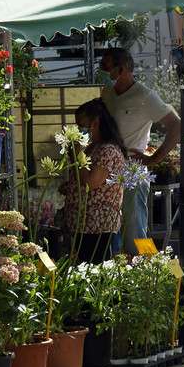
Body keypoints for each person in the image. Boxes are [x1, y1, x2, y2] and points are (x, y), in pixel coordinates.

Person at [97, 47, 180, 253]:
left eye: (105, 68)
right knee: (108, 230)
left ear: (121, 69)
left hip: (131, 173)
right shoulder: (107, 92)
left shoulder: (145, 96)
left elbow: (177, 126)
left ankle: (141, 273)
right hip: (106, 171)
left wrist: (154, 159)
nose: (101, 72)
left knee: (134, 231)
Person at [59, 99, 129, 262]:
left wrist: (76, 155)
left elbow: (91, 182)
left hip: (97, 225)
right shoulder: (93, 147)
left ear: (96, 123)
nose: (78, 130)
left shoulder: (108, 150)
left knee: (95, 270)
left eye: (81, 125)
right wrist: (71, 187)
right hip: (83, 224)